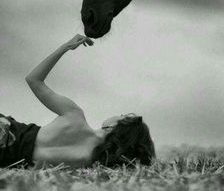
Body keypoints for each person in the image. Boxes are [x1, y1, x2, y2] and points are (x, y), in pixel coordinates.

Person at [0, 34, 156, 169]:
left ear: (116, 127)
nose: (119, 113)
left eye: (122, 116)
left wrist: (65, 47)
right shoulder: (89, 162)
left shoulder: (74, 116)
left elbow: (34, 80)